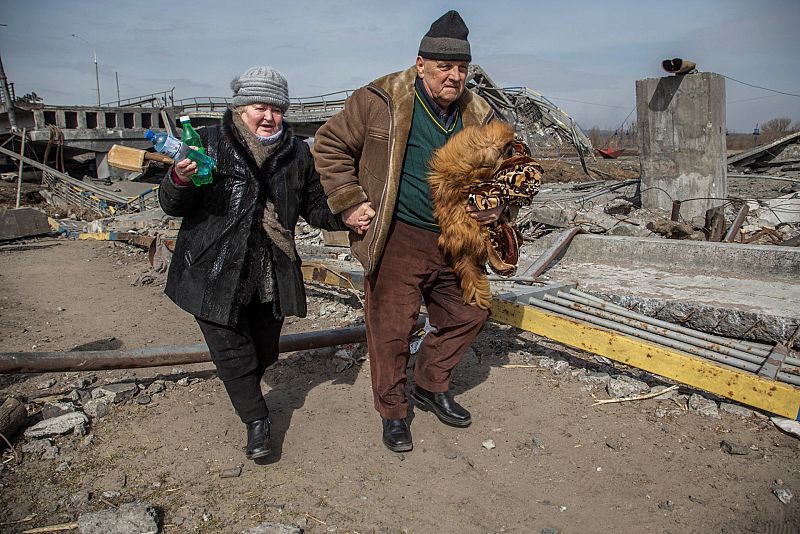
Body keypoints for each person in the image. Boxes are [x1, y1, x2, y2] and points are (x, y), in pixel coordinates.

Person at [312, 10, 505, 453]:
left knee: (470, 314)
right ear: (421, 65)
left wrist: (496, 206)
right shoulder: (380, 98)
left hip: (457, 240)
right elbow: (329, 145)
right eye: (444, 68)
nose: (454, 77)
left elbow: (503, 173)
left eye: (461, 69)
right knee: (391, 329)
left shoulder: (480, 112)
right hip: (397, 236)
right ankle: (393, 411)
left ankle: (429, 383)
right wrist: (350, 201)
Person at [159, 66, 347, 461]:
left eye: (277, 109)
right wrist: (178, 177)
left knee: (264, 351)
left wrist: (347, 214)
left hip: (271, 267)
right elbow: (172, 205)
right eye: (260, 106)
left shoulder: (297, 151)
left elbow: (313, 204)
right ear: (241, 108)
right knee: (232, 351)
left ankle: (246, 388)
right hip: (211, 267)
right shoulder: (206, 142)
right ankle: (257, 422)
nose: (268, 116)